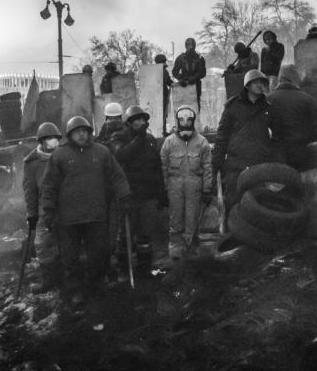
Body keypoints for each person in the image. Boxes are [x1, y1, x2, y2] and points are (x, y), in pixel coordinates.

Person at [41, 116, 131, 302]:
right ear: (70, 134)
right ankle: (75, 290)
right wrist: (48, 209)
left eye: (84, 131)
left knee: (99, 254)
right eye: (77, 131)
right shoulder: (59, 155)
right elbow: (49, 184)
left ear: (89, 133)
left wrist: (124, 196)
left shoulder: (102, 152)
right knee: (70, 257)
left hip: (95, 214)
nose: (81, 134)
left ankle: (96, 286)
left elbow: (117, 176)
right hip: (68, 218)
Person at [212, 69, 282, 231]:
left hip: (259, 163)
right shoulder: (233, 106)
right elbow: (222, 137)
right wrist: (216, 163)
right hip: (236, 163)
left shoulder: (269, 107)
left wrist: (277, 162)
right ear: (248, 85)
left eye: (263, 82)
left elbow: (278, 138)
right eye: (256, 82)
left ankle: (253, 238)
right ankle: (230, 236)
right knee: (233, 201)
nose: (260, 85)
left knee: (258, 203)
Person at [110, 105, 166, 269]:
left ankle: (144, 267)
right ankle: (123, 268)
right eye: (137, 120)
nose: (141, 123)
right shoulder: (119, 137)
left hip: (148, 194)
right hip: (129, 195)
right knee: (125, 233)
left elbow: (157, 167)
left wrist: (161, 193)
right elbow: (121, 155)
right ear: (129, 122)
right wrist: (139, 138)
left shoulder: (150, 139)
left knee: (145, 233)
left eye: (143, 120)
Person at [160, 105, 213, 259]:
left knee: (193, 221)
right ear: (177, 121)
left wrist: (207, 189)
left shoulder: (202, 142)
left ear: (193, 120)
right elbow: (163, 167)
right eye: (182, 119)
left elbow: (208, 167)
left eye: (188, 119)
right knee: (176, 222)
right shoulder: (169, 142)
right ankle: (176, 256)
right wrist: (163, 189)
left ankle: (193, 255)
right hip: (174, 188)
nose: (185, 122)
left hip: (194, 188)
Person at [23, 122, 63, 293]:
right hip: (44, 208)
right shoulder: (32, 162)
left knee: (68, 243)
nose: (53, 142)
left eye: (55, 139)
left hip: (66, 205)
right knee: (42, 243)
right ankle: (48, 279)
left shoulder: (65, 155)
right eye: (48, 139)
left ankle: (68, 279)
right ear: (41, 141)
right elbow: (30, 190)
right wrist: (32, 214)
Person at [268, 65, 317, 170]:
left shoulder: (267, 100)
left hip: (275, 156)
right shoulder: (308, 100)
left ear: (280, 79)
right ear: (296, 79)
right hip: (302, 155)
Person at [172, 38, 207, 108]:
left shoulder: (200, 58)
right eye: (188, 45)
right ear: (186, 46)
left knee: (195, 107)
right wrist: (180, 79)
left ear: (194, 46)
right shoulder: (181, 58)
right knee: (183, 107)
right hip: (183, 86)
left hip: (196, 85)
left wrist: (194, 78)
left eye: (192, 45)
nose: (190, 47)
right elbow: (174, 72)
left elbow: (203, 72)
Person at [154, 54, 174, 124]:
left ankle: (163, 128)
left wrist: (176, 84)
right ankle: (161, 128)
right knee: (160, 114)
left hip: (163, 95)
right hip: (157, 96)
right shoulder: (154, 71)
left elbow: (169, 82)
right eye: (164, 61)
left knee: (163, 114)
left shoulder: (164, 71)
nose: (165, 63)